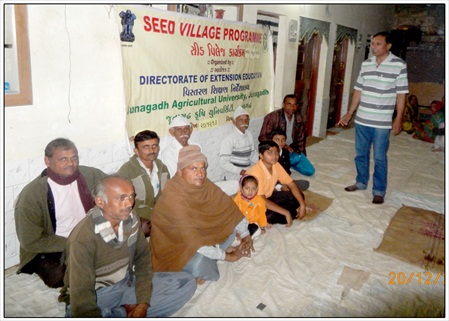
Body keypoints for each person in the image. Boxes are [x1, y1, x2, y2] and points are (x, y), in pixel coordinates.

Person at [58, 175, 196, 317]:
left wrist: (143, 302)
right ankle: (121, 313)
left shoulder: (132, 219)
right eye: (121, 198)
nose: (129, 204)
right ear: (100, 202)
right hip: (98, 293)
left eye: (131, 196)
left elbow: (143, 260)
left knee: (187, 282)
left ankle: (120, 312)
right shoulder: (83, 238)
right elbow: (81, 292)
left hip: (127, 282)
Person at [150, 145, 254, 285]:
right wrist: (230, 256)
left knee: (230, 225)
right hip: (176, 247)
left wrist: (246, 236)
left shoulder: (204, 184)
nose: (200, 174)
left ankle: (216, 251)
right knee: (202, 264)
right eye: (193, 169)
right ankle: (210, 257)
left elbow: (230, 209)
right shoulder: (173, 197)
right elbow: (194, 242)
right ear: (180, 171)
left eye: (202, 168)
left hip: (201, 234)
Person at [14, 138, 106, 288]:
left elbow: (115, 188)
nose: (71, 163)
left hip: (89, 235)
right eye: (63, 159)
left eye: (74, 158)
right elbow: (30, 240)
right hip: (54, 245)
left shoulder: (90, 175)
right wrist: (74, 243)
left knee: (122, 251)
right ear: (47, 161)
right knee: (60, 276)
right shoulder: (32, 195)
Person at [338, 31, 408, 205]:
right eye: (373, 44)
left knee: (379, 157)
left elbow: (401, 94)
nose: (374, 47)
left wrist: (398, 118)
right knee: (360, 154)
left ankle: (379, 190)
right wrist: (349, 113)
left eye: (378, 44)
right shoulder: (366, 64)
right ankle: (361, 182)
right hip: (362, 120)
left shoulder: (399, 65)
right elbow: (359, 90)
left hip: (382, 123)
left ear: (388, 46)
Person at [118, 130, 169, 237]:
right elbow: (121, 204)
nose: (152, 150)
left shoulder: (162, 168)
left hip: (160, 213)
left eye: (155, 146)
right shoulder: (127, 171)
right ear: (136, 151)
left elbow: (167, 195)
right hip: (139, 217)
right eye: (146, 147)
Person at [246, 141, 307, 227]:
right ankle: (289, 213)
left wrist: (302, 205)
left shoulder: (275, 165)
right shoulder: (255, 172)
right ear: (261, 155)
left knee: (299, 196)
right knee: (269, 217)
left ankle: (287, 212)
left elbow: (292, 184)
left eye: (276, 152)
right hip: (253, 204)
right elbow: (261, 200)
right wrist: (285, 213)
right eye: (269, 153)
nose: (274, 156)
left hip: (268, 196)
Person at [219, 106, 258, 181]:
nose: (244, 123)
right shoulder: (229, 138)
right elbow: (223, 162)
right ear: (234, 121)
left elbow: (252, 154)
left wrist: (263, 162)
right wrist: (241, 171)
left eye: (246, 120)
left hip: (247, 171)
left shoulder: (248, 134)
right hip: (234, 174)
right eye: (241, 120)